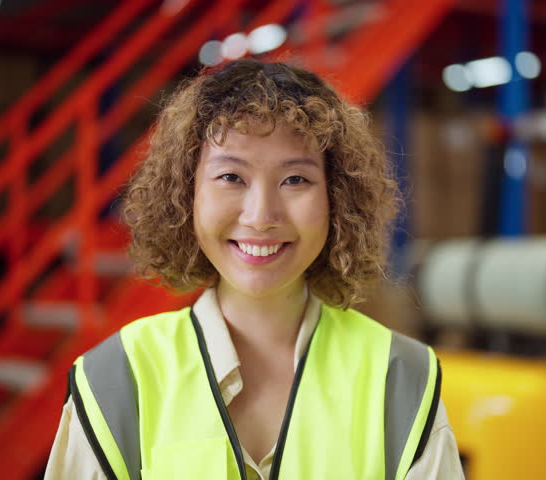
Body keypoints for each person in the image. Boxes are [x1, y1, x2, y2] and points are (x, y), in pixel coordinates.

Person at [45, 59, 464, 479]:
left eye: (295, 180)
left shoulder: (402, 377)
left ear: (337, 199)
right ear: (186, 193)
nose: (261, 216)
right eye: (231, 176)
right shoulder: (118, 377)